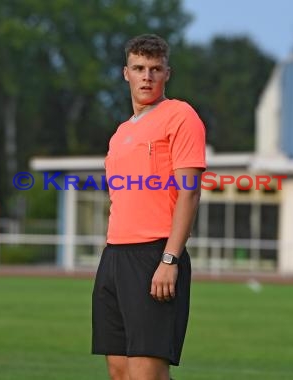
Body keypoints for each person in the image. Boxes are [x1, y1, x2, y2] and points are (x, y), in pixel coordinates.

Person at [92, 34, 206, 380]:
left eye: (155, 69)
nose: (146, 76)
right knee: (119, 371)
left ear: (166, 74)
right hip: (114, 257)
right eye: (139, 68)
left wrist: (169, 259)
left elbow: (189, 193)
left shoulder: (180, 115)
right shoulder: (121, 132)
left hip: (154, 255)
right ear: (125, 72)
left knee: (147, 374)